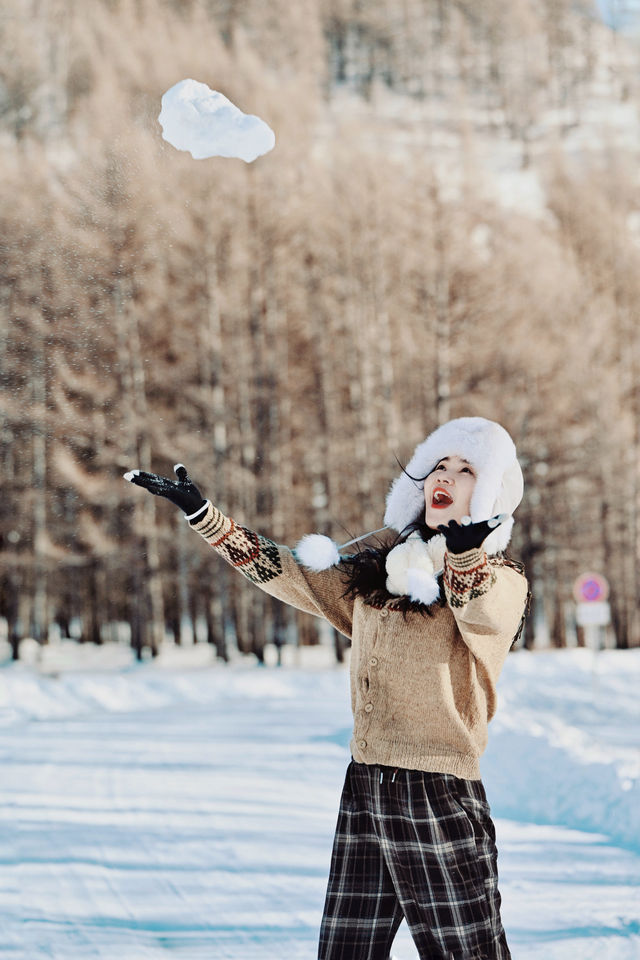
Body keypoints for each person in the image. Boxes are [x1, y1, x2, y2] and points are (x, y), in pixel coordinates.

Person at [124, 415, 528, 960]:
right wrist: (206, 517)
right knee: (345, 950)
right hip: (367, 783)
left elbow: (478, 606)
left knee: (469, 952)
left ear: (492, 495)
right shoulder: (382, 565)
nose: (446, 477)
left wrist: (464, 552)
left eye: (465, 470)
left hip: (437, 790)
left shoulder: (502, 580)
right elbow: (295, 574)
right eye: (439, 465)